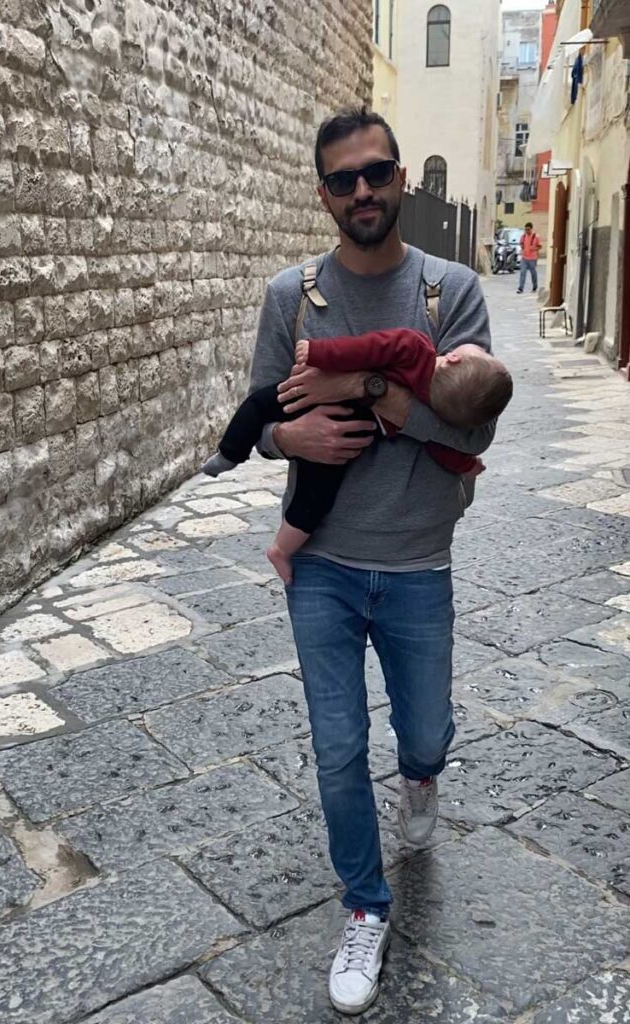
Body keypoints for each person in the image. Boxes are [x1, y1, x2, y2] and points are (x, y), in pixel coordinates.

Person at [249, 107, 500, 1016]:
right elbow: (258, 420)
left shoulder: (451, 292)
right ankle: (364, 904)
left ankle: (424, 777)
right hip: (320, 561)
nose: (362, 191)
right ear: (323, 194)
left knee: (422, 734)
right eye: (343, 179)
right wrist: (291, 433)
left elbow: (470, 424)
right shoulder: (291, 297)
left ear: (400, 181)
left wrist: (367, 391)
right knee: (337, 747)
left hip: (417, 563)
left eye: (376, 173)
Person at [203, 329, 512, 583]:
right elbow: (444, 448)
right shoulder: (432, 409)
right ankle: (281, 550)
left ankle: (229, 454)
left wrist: (316, 352)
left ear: (454, 357)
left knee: (258, 405)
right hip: (351, 435)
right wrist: (467, 465)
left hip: (325, 418)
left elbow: (364, 349)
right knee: (316, 498)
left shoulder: (415, 347)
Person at [517, 221, 542, 293]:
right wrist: (522, 248)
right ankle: (520, 288)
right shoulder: (523, 236)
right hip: (524, 258)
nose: (527, 231)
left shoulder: (536, 237)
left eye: (528, 229)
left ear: (531, 229)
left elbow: (540, 246)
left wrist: (534, 248)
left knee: (533, 273)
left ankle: (535, 286)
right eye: (526, 229)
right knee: (522, 273)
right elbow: (521, 243)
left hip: (532, 258)